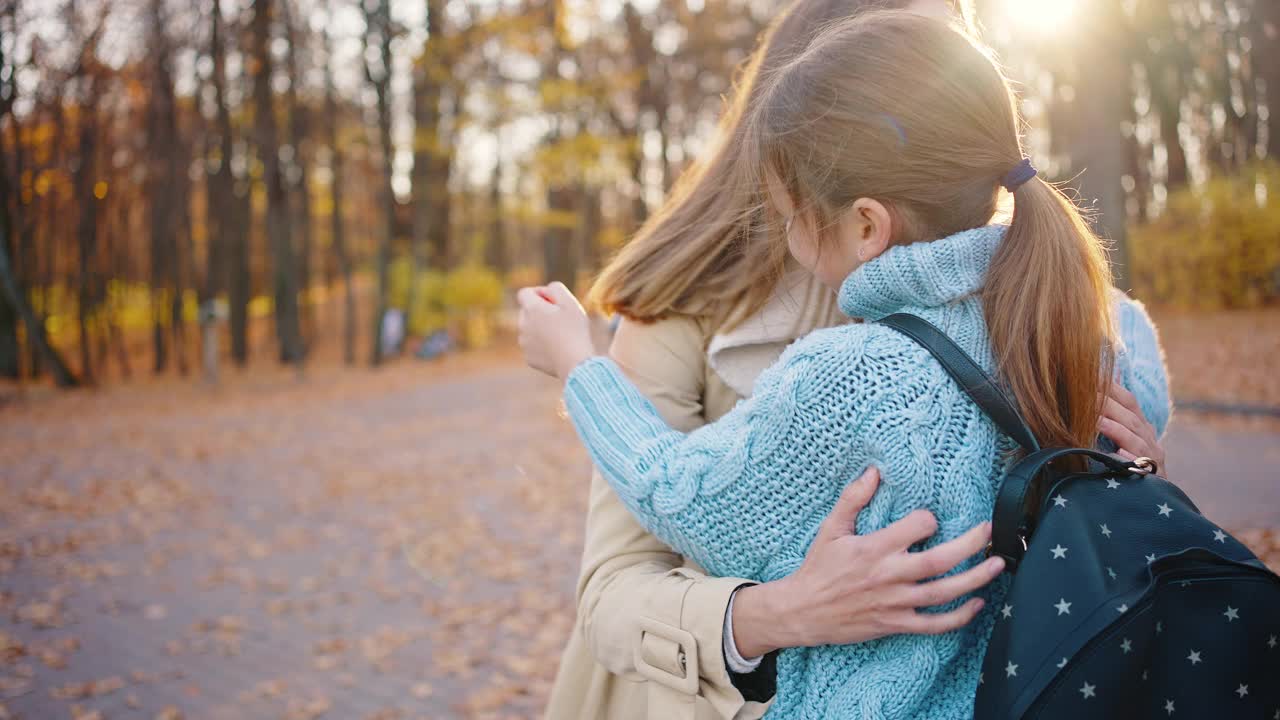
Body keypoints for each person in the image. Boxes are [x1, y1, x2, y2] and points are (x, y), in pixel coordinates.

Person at [521, 12, 1169, 718]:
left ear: (865, 221)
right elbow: (615, 584)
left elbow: (677, 493)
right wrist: (780, 613)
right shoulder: (1078, 312)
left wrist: (578, 367)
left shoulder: (849, 369)